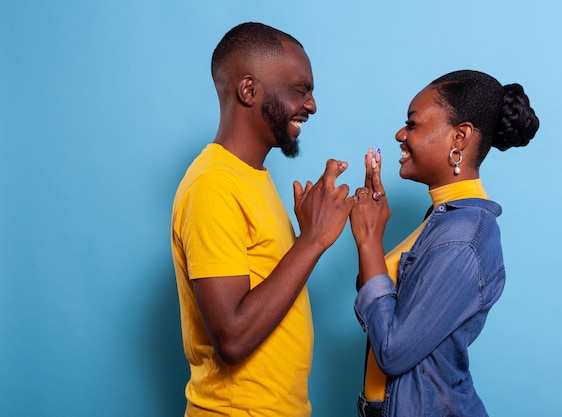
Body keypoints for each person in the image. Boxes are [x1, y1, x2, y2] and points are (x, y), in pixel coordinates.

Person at [170, 22, 354, 417]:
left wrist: (306, 234)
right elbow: (232, 339)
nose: (312, 105)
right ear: (248, 90)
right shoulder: (212, 186)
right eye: (300, 89)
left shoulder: (249, 177)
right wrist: (314, 240)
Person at [349, 70, 540, 417]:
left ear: (460, 136)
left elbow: (392, 351)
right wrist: (373, 230)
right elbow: (384, 310)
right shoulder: (441, 218)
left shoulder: (463, 237)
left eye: (413, 124)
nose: (400, 134)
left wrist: (369, 241)